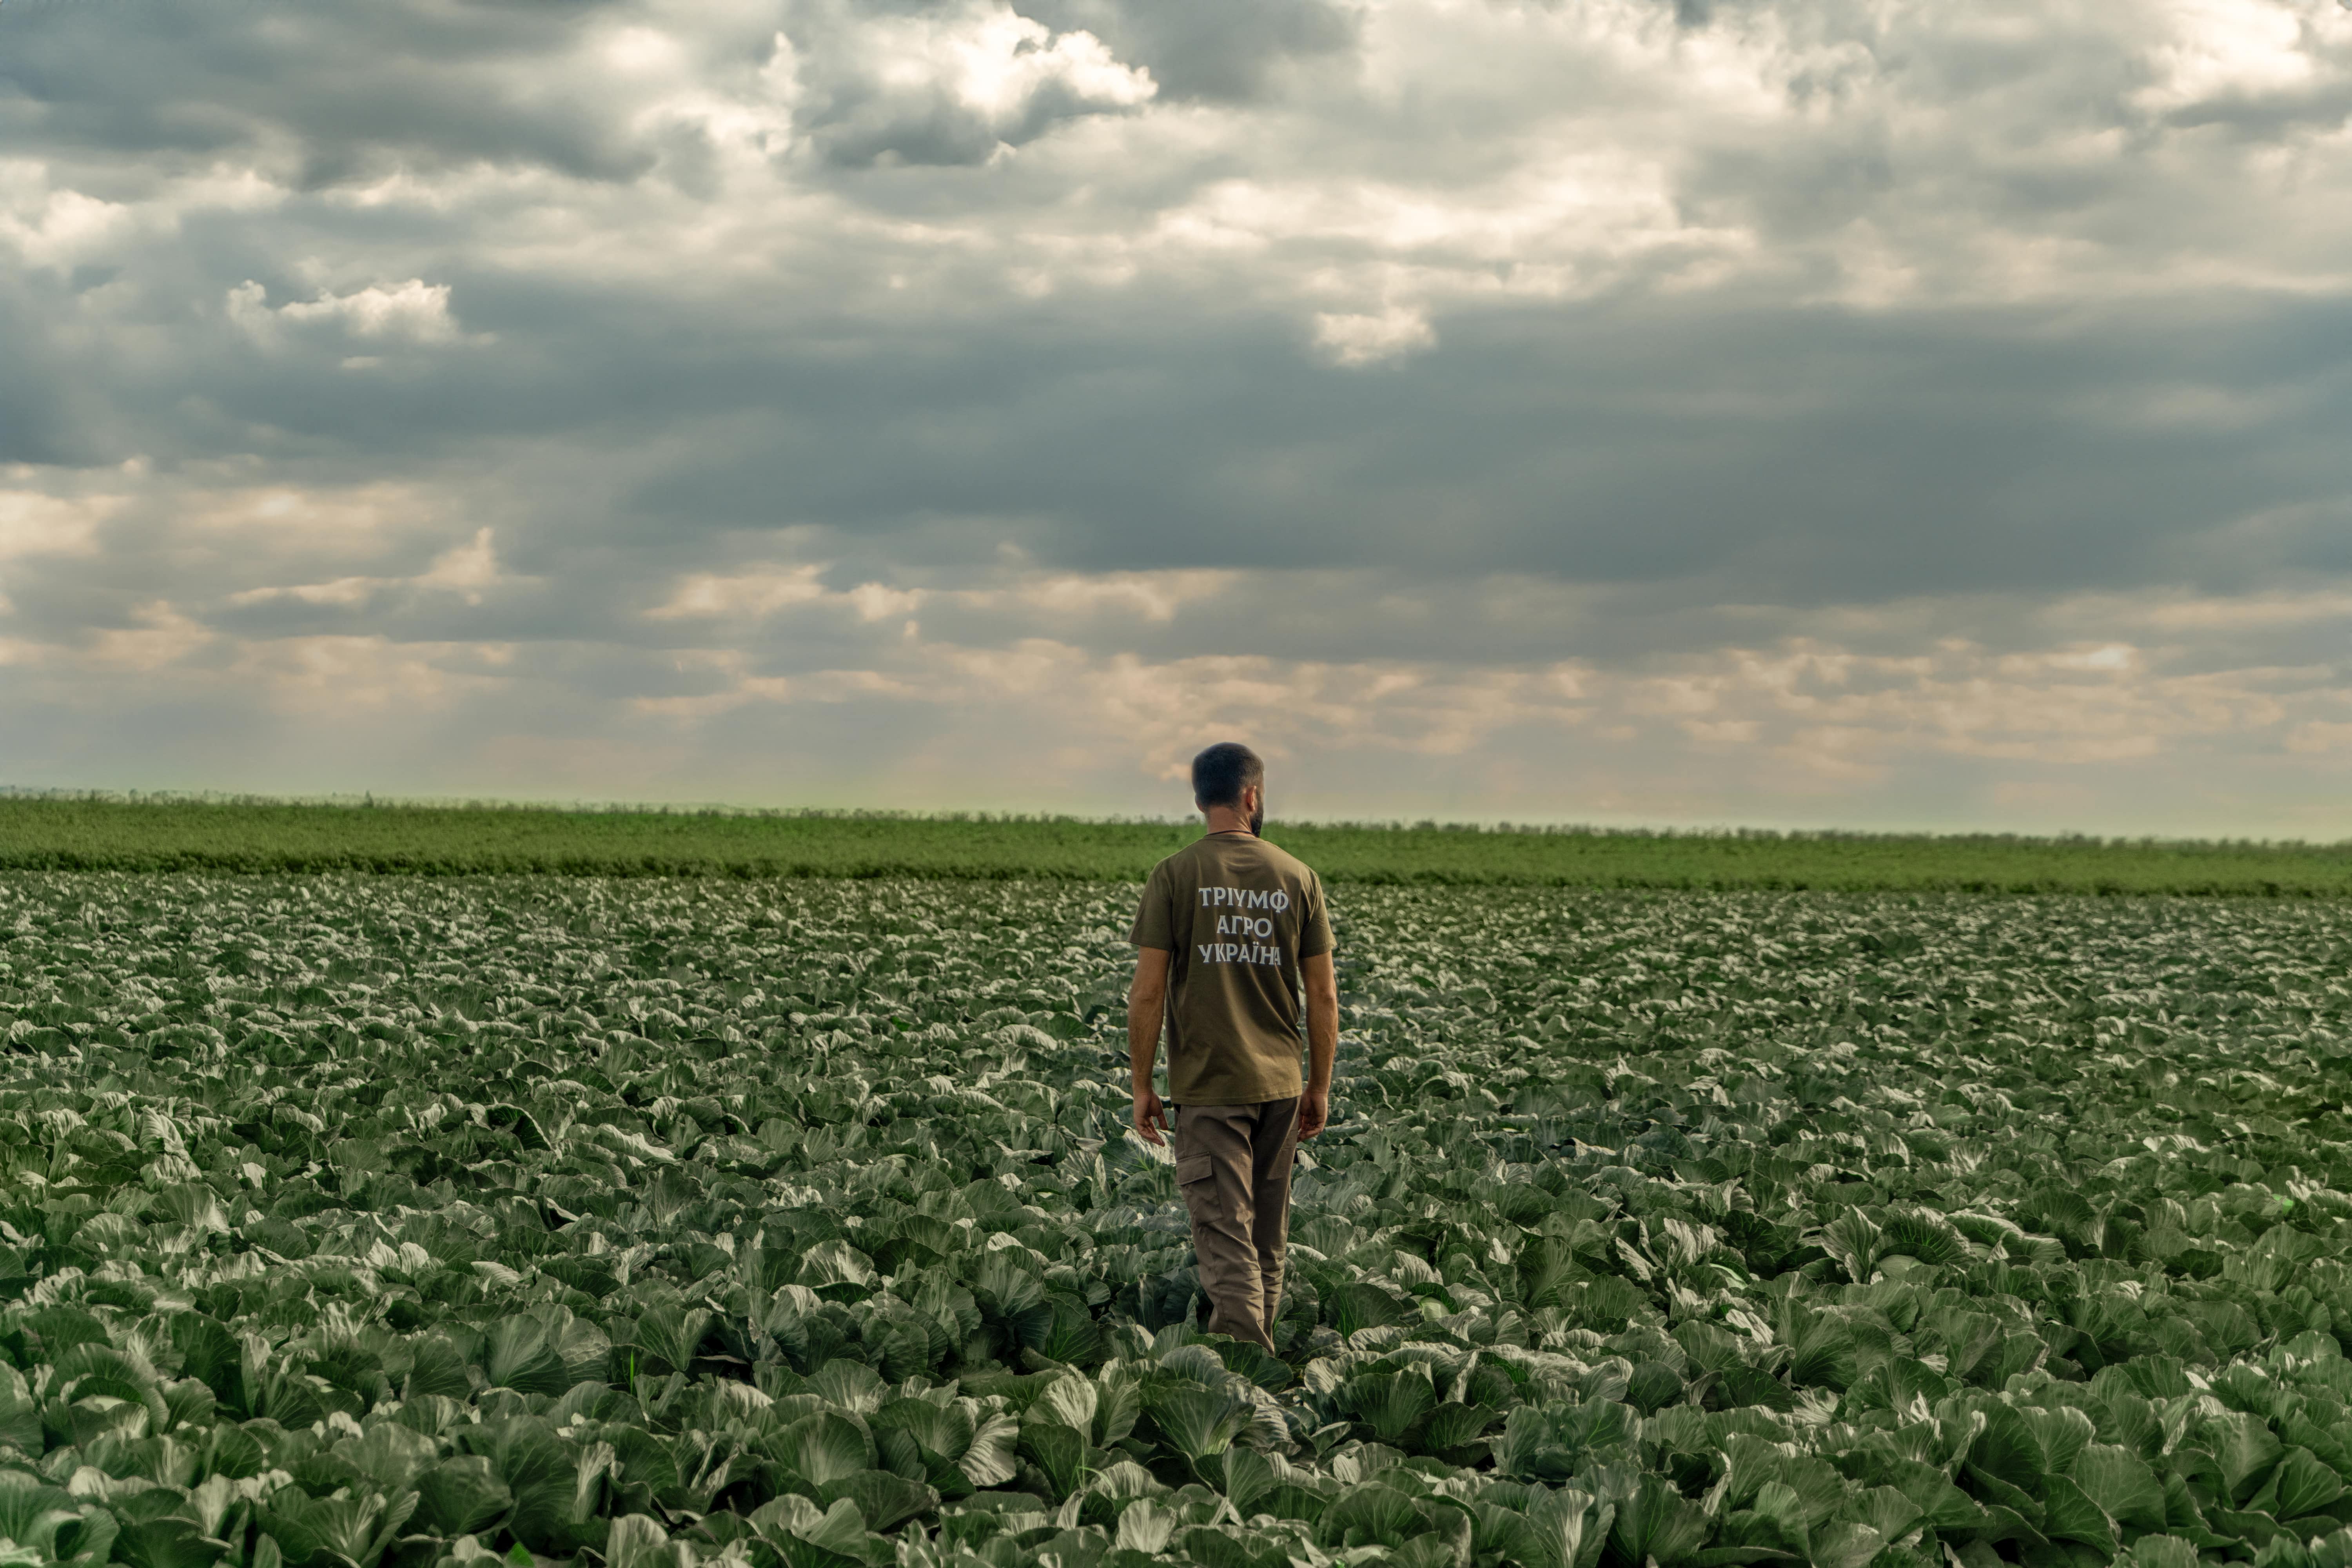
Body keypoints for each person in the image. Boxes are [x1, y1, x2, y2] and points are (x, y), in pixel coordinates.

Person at [1127, 741, 1338, 1355]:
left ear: (1200, 800)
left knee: (1226, 1242)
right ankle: (1260, 1373)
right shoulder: (1298, 877)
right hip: (1281, 1086)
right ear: (1253, 796)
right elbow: (1324, 995)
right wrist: (1319, 1086)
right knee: (1265, 1243)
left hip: (1211, 1086)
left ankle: (1248, 1379)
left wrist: (1142, 1084)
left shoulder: (1175, 875)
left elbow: (1148, 992)